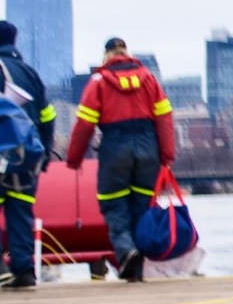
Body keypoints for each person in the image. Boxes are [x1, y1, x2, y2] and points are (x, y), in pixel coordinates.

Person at [65, 38, 174, 284]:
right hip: (148, 149)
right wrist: (167, 156)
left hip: (115, 147)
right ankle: (135, 266)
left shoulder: (99, 82)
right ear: (127, 53)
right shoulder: (149, 79)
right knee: (141, 207)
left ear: (106, 56)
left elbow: (85, 124)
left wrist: (74, 159)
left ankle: (126, 251)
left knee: (114, 204)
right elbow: (165, 118)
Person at [0, 21, 57, 290]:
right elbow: (48, 116)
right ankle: (24, 271)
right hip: (26, 158)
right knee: (21, 211)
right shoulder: (29, 74)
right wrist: (44, 153)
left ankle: (0, 270)